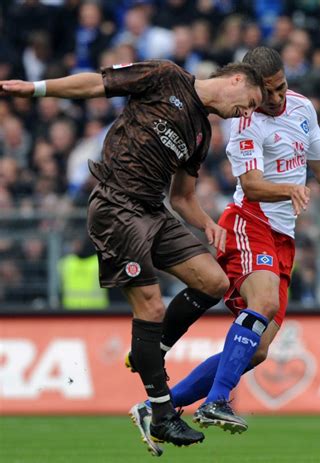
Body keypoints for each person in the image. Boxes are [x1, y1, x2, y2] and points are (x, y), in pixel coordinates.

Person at [127, 47, 320, 452]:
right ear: (253, 87)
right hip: (248, 221)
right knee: (265, 302)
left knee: (256, 350)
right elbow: (253, 185)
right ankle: (217, 401)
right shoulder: (245, 122)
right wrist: (289, 187)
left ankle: (157, 409)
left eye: (282, 88)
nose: (276, 98)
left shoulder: (302, 109)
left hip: (282, 238)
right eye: (268, 92)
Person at [0, 58, 264, 453]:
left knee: (213, 281)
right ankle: (161, 415)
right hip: (116, 205)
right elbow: (96, 84)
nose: (247, 112)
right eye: (251, 101)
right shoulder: (165, 76)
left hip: (154, 211)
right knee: (151, 307)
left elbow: (182, 198)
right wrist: (38, 89)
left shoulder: (201, 134)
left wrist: (207, 223)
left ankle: (151, 351)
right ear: (236, 79)